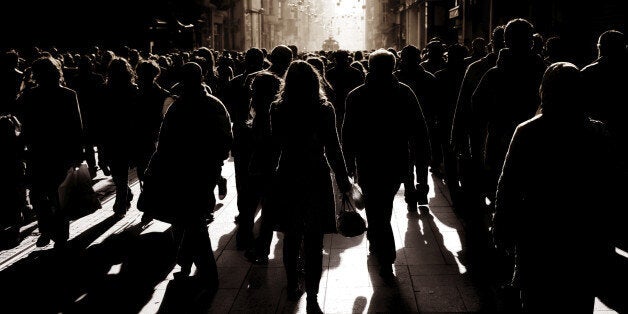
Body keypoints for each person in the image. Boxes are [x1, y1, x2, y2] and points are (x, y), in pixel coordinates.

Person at [493, 62, 622, 312]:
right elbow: (612, 185)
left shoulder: (528, 132)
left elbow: (508, 184)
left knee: (537, 299)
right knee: (579, 300)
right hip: (584, 233)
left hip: (539, 232)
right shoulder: (597, 133)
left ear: (545, 90)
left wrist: (501, 226)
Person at [268, 60, 352, 313]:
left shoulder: (277, 109)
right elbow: (334, 148)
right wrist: (343, 179)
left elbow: (275, 145)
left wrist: (268, 179)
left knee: (291, 237)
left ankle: (293, 283)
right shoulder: (324, 109)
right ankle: (313, 294)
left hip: (288, 172)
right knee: (314, 240)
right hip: (316, 173)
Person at [143, 62, 231, 289]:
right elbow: (225, 138)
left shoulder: (177, 107)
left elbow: (164, 143)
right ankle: (190, 266)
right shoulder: (214, 105)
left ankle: (203, 271)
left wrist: (156, 167)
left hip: (181, 171)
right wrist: (217, 162)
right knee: (192, 218)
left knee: (189, 220)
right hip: (204, 170)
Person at [343, 49, 429, 279]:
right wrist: (421, 158)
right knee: (383, 207)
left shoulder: (357, 95)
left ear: (370, 67)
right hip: (395, 159)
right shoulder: (404, 93)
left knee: (376, 208)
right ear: (393, 67)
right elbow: (419, 128)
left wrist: (348, 162)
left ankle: (385, 253)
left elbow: (348, 132)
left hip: (368, 160)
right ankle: (380, 247)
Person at [17, 56, 83, 250]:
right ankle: (61, 233)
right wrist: (78, 153)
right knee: (59, 193)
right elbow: (76, 126)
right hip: (61, 151)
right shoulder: (69, 95)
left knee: (38, 193)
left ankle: (45, 227)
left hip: (38, 151)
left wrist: (22, 147)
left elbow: (25, 124)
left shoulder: (30, 95)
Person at [394, 45, 433, 210]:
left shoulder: (396, 79)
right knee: (421, 162)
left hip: (401, 128)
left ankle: (411, 194)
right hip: (422, 126)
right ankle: (421, 192)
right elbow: (436, 104)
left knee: (408, 163)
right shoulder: (429, 78)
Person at [102, 57, 139, 217]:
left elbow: (100, 116)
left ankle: (120, 203)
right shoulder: (133, 90)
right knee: (121, 171)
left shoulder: (105, 90)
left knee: (118, 172)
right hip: (128, 134)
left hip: (112, 134)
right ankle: (124, 195)